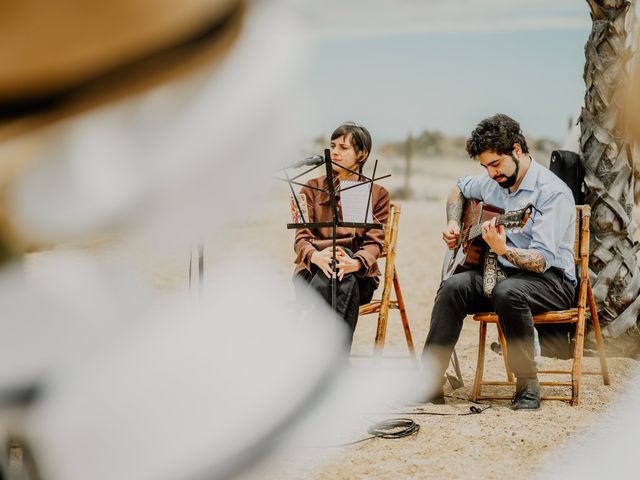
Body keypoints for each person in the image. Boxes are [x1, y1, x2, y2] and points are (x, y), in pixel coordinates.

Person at [421, 113, 576, 410]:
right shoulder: (492, 181)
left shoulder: (552, 193)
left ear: (517, 149)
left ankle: (528, 385)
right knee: (451, 288)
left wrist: (504, 250)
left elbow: (542, 261)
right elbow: (458, 188)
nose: (491, 174)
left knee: (509, 292)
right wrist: (454, 223)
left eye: (496, 164)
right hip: (501, 273)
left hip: (553, 280)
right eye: (485, 166)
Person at [293, 121, 390, 347]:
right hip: (312, 271)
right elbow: (301, 237)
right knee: (336, 267)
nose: (334, 152)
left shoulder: (377, 194)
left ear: (362, 154)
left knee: (342, 260)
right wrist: (316, 256)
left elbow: (375, 242)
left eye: (343, 147)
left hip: (358, 275)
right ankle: (335, 361)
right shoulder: (309, 187)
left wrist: (355, 263)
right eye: (332, 145)